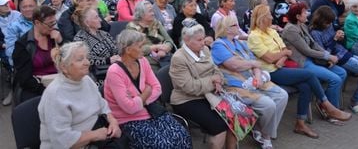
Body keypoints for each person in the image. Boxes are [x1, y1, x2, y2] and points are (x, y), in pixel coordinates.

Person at [248, 4, 351, 137]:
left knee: (306, 86)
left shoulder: (272, 32)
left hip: (282, 66)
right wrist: (281, 55)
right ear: (262, 18)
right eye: (268, 14)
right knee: (309, 74)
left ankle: (300, 124)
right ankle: (327, 105)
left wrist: (281, 57)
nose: (271, 16)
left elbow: (287, 50)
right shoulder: (254, 36)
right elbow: (269, 58)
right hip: (270, 72)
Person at [104, 29, 192, 149]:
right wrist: (146, 92)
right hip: (128, 120)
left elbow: (157, 88)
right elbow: (129, 108)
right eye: (140, 46)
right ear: (128, 50)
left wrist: (139, 100)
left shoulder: (142, 61)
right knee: (163, 145)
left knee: (182, 135)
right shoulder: (115, 72)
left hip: (150, 112)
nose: (145, 49)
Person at [211, 15, 288, 149]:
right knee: (268, 105)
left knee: (282, 95)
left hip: (252, 80)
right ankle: (266, 137)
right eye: (235, 25)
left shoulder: (240, 43)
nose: (238, 27)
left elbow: (256, 64)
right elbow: (234, 65)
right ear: (227, 29)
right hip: (235, 86)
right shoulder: (218, 45)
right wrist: (252, 64)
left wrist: (257, 76)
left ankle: (259, 129)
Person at [38, 41, 122, 148]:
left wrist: (113, 121)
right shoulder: (55, 94)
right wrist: (95, 135)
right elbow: (62, 140)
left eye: (86, 58)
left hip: (96, 134)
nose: (87, 62)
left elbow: (102, 105)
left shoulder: (86, 80)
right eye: (80, 59)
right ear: (64, 67)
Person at [170, 20, 236, 149]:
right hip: (186, 99)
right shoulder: (179, 58)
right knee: (219, 126)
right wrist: (213, 81)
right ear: (187, 40)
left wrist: (219, 80)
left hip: (208, 95)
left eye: (203, 38)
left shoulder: (204, 49)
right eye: (199, 40)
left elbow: (215, 69)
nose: (203, 42)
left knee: (233, 117)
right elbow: (190, 87)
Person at [311, 5, 358, 116]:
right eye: (327, 23)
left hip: (344, 53)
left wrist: (340, 36)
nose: (329, 25)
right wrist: (334, 39)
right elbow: (324, 53)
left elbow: (337, 43)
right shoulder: (315, 33)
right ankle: (356, 100)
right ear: (321, 20)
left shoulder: (328, 26)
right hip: (337, 58)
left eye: (330, 23)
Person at [281, 2, 347, 109]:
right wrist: (328, 57)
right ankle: (331, 109)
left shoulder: (302, 25)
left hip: (313, 60)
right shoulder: (290, 30)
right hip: (303, 63)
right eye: (304, 12)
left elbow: (313, 44)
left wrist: (327, 55)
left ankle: (325, 102)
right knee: (336, 79)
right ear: (297, 16)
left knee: (342, 73)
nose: (307, 14)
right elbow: (307, 51)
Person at [12, 6, 63, 104]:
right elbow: (25, 79)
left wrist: (60, 42)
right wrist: (46, 91)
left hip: (59, 81)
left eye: (54, 22)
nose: (53, 27)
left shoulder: (55, 36)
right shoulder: (23, 45)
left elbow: (68, 61)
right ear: (37, 23)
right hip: (36, 86)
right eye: (49, 24)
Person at [73, 7, 120, 84]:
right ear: (87, 22)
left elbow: (116, 49)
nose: (100, 20)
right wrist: (108, 60)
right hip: (98, 77)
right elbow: (86, 60)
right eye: (96, 17)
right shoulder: (80, 38)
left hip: (115, 70)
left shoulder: (104, 34)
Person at [126, 0, 176, 71]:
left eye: (153, 11)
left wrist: (164, 49)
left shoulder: (156, 23)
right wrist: (155, 47)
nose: (153, 13)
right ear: (141, 13)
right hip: (145, 59)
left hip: (164, 56)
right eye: (150, 11)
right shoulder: (132, 27)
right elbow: (134, 49)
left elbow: (169, 40)